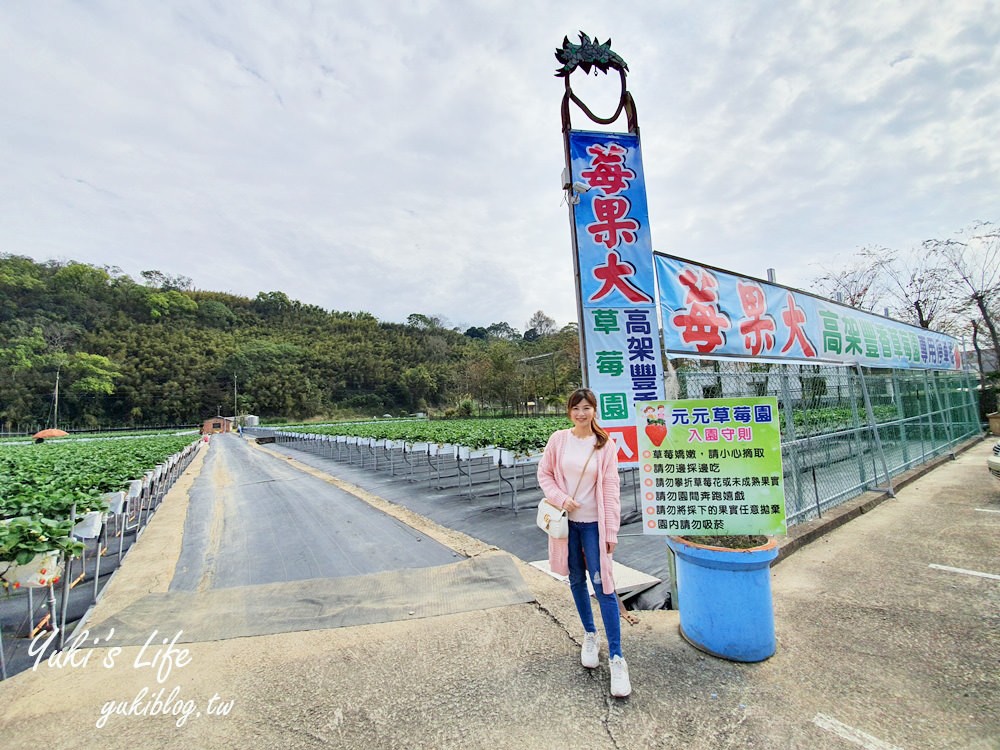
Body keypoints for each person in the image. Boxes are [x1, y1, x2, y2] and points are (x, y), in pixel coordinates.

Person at [537, 387, 631, 698]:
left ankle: (617, 656)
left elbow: (611, 491)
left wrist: (611, 532)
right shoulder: (558, 440)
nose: (581, 413)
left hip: (594, 526)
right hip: (567, 526)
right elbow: (545, 474)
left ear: (594, 411)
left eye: (586, 408)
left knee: (603, 584)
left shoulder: (605, 445)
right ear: (569, 411)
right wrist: (561, 498)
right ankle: (590, 635)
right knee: (576, 578)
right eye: (576, 408)